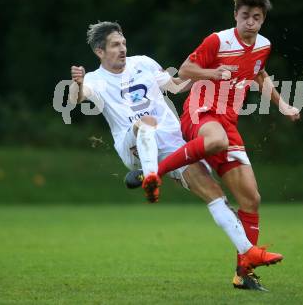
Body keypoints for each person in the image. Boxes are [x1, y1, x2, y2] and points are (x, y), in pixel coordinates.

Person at [69, 21, 282, 291]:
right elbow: (78, 98)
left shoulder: (143, 63)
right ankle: (150, 175)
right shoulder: (95, 80)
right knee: (145, 121)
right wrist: (77, 83)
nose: (122, 48)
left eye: (123, 43)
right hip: (132, 144)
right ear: (100, 51)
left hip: (172, 144)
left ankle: (247, 252)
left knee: (214, 193)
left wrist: (210, 70)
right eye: (115, 45)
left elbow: (177, 86)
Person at [155, 0, 301, 289]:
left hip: (228, 121)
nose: (250, 22)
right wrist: (212, 74)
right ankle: (157, 171)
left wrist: (282, 103)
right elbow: (185, 69)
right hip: (200, 111)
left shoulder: (263, 46)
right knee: (217, 140)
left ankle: (243, 274)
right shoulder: (218, 40)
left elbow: (260, 74)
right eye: (244, 16)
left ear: (263, 20)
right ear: (236, 15)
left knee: (251, 198)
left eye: (256, 17)